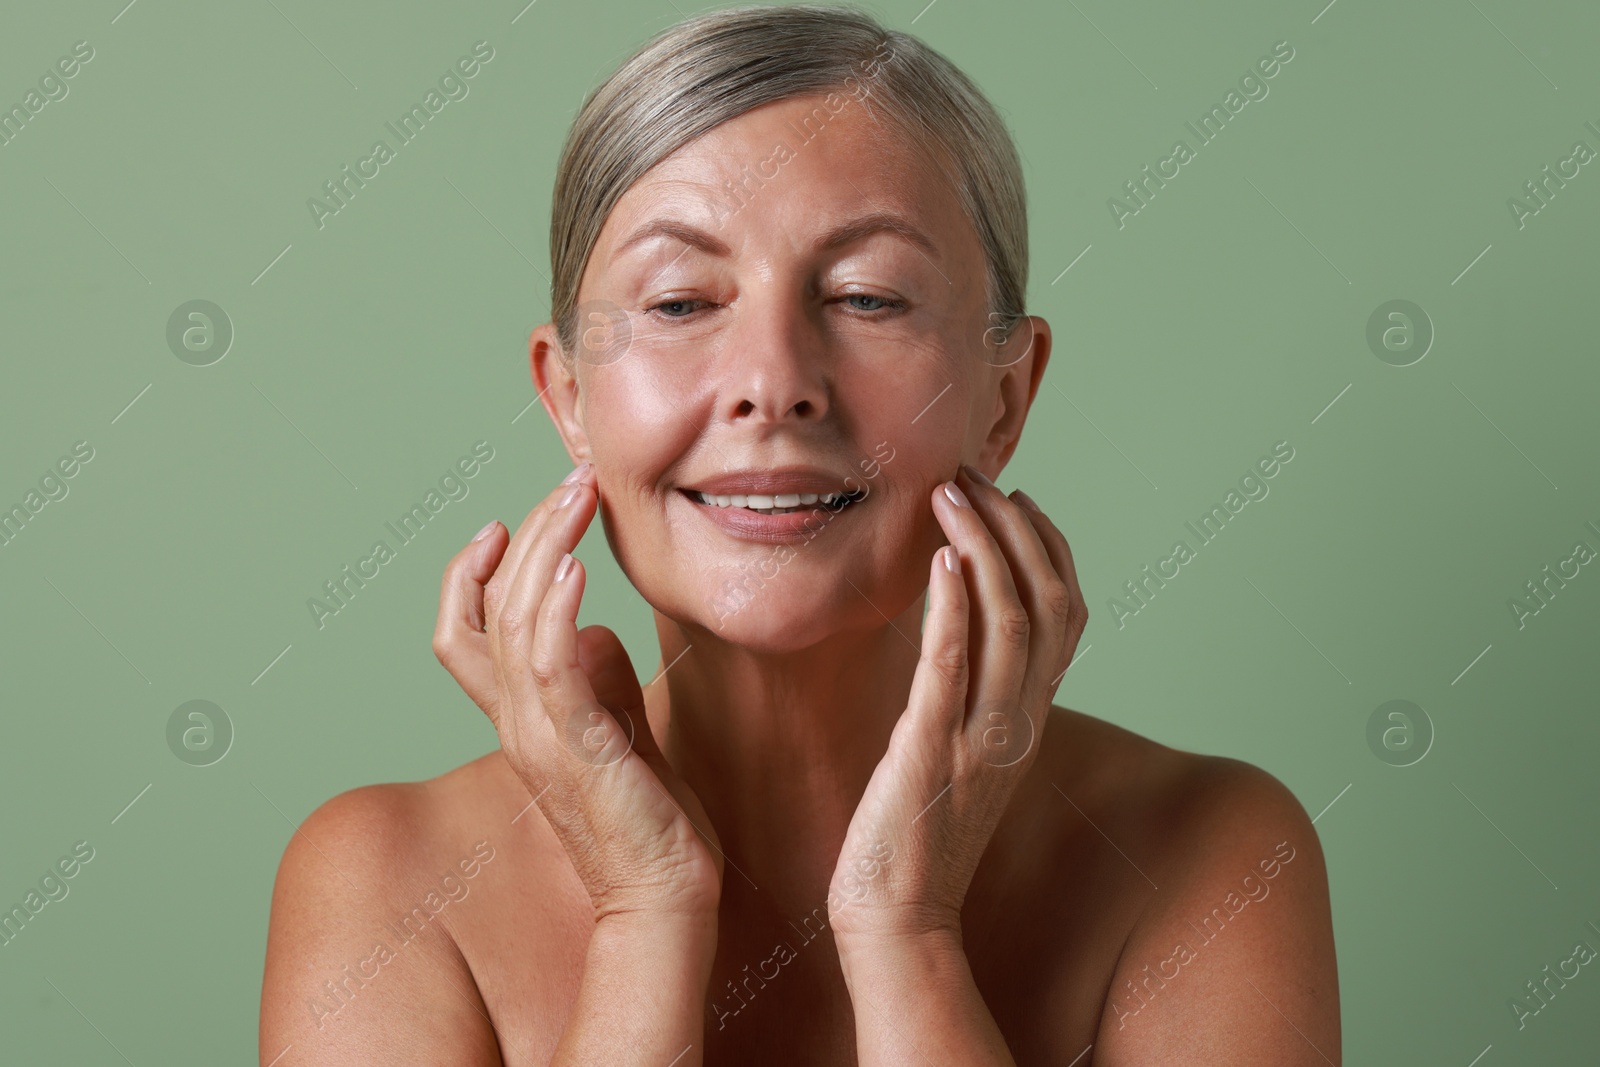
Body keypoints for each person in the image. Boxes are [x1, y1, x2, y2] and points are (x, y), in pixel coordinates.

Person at [259, 5, 1339, 1063]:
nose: (773, 385)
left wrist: (905, 931)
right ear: (570, 396)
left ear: (1004, 400)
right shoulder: (387, 883)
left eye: (868, 297)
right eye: (680, 302)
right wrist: (645, 915)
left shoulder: (1206, 853)